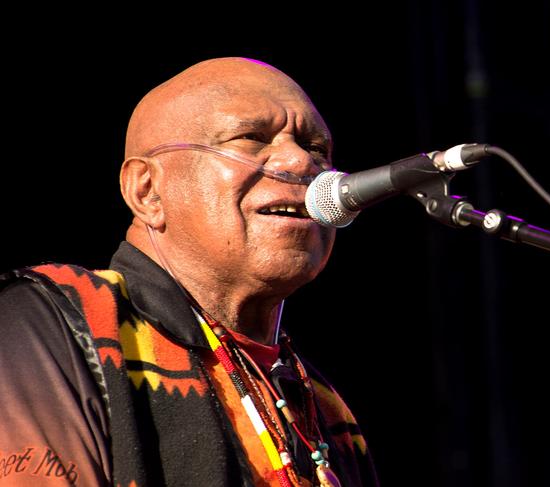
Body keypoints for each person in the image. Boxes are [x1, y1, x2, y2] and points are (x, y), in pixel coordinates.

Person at [0, 57, 379, 487]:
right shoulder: (54, 321)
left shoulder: (321, 406)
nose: (300, 163)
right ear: (147, 191)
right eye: (252, 137)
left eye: (316, 148)